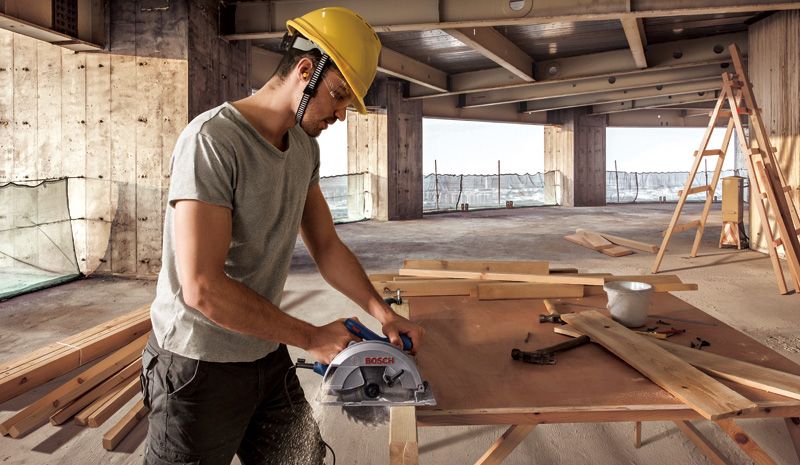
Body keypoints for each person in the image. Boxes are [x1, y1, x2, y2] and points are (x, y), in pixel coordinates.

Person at [141, 7, 424, 465]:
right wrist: (311, 337)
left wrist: (382, 314)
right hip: (197, 365)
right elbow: (202, 288)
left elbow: (327, 248)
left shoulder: (303, 150)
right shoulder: (213, 141)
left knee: (301, 459)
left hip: (264, 350)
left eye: (348, 102)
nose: (341, 113)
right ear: (305, 70)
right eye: (338, 96)